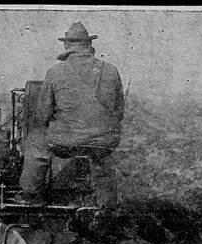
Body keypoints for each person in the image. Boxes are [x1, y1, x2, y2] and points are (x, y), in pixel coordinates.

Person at [17, 21, 125, 209]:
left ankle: (32, 195)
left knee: (35, 140)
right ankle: (107, 202)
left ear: (67, 46)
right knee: (100, 155)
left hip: (67, 142)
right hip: (105, 141)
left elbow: (42, 116)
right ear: (89, 45)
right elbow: (119, 112)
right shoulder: (111, 70)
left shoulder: (55, 72)